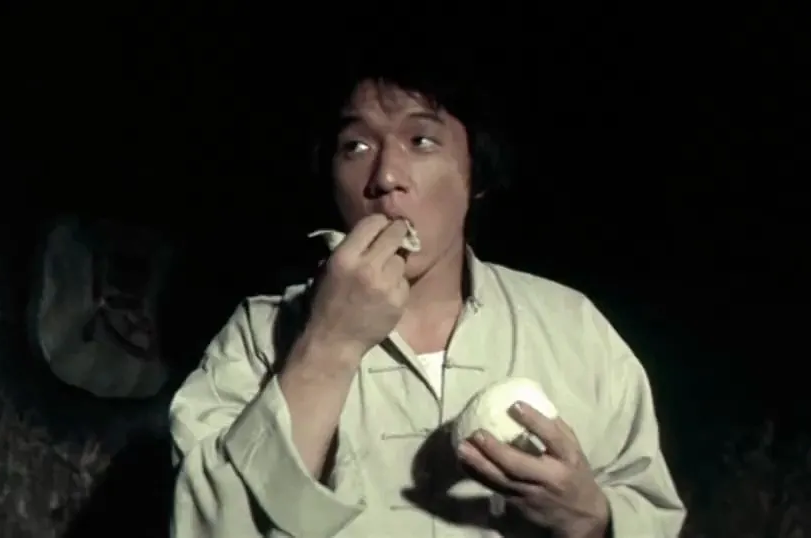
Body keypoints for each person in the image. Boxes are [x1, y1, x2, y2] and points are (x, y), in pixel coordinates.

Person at [167, 54, 686, 537]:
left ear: (475, 172)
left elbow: (654, 510)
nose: (386, 178)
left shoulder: (572, 326)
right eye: (355, 147)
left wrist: (595, 520)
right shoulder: (259, 334)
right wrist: (328, 343)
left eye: (421, 141)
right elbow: (205, 526)